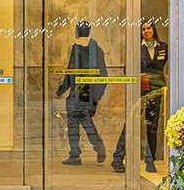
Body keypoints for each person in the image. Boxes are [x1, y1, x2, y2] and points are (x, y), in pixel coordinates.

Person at [113, 21, 167, 174]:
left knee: (152, 126)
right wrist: (139, 76)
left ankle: (150, 160)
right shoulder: (136, 48)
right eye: (143, 29)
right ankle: (118, 158)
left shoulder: (163, 47)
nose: (146, 31)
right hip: (139, 91)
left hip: (156, 90)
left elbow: (161, 68)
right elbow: (127, 69)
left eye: (149, 28)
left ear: (154, 29)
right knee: (131, 123)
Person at [56, 21, 107, 165]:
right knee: (85, 121)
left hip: (77, 92)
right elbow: (103, 74)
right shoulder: (97, 49)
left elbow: (70, 73)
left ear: (77, 31)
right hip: (89, 92)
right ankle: (95, 147)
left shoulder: (75, 49)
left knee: (75, 123)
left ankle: (76, 154)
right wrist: (97, 95)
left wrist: (61, 90)